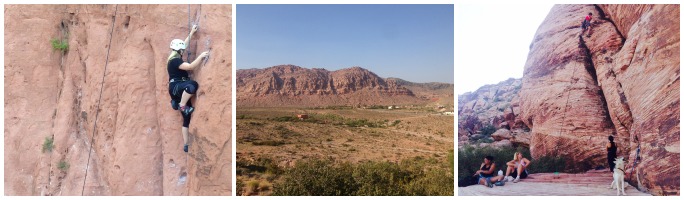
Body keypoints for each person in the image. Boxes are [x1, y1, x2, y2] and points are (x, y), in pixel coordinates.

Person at [168, 24, 209, 152]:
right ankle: (181, 105)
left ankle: (186, 145)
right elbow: (191, 67)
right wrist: (201, 56)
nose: (183, 50)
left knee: (187, 118)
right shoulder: (175, 61)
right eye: (182, 50)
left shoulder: (174, 56)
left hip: (177, 88)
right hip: (178, 87)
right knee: (193, 85)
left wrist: (192, 32)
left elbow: (183, 45)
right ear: (179, 51)